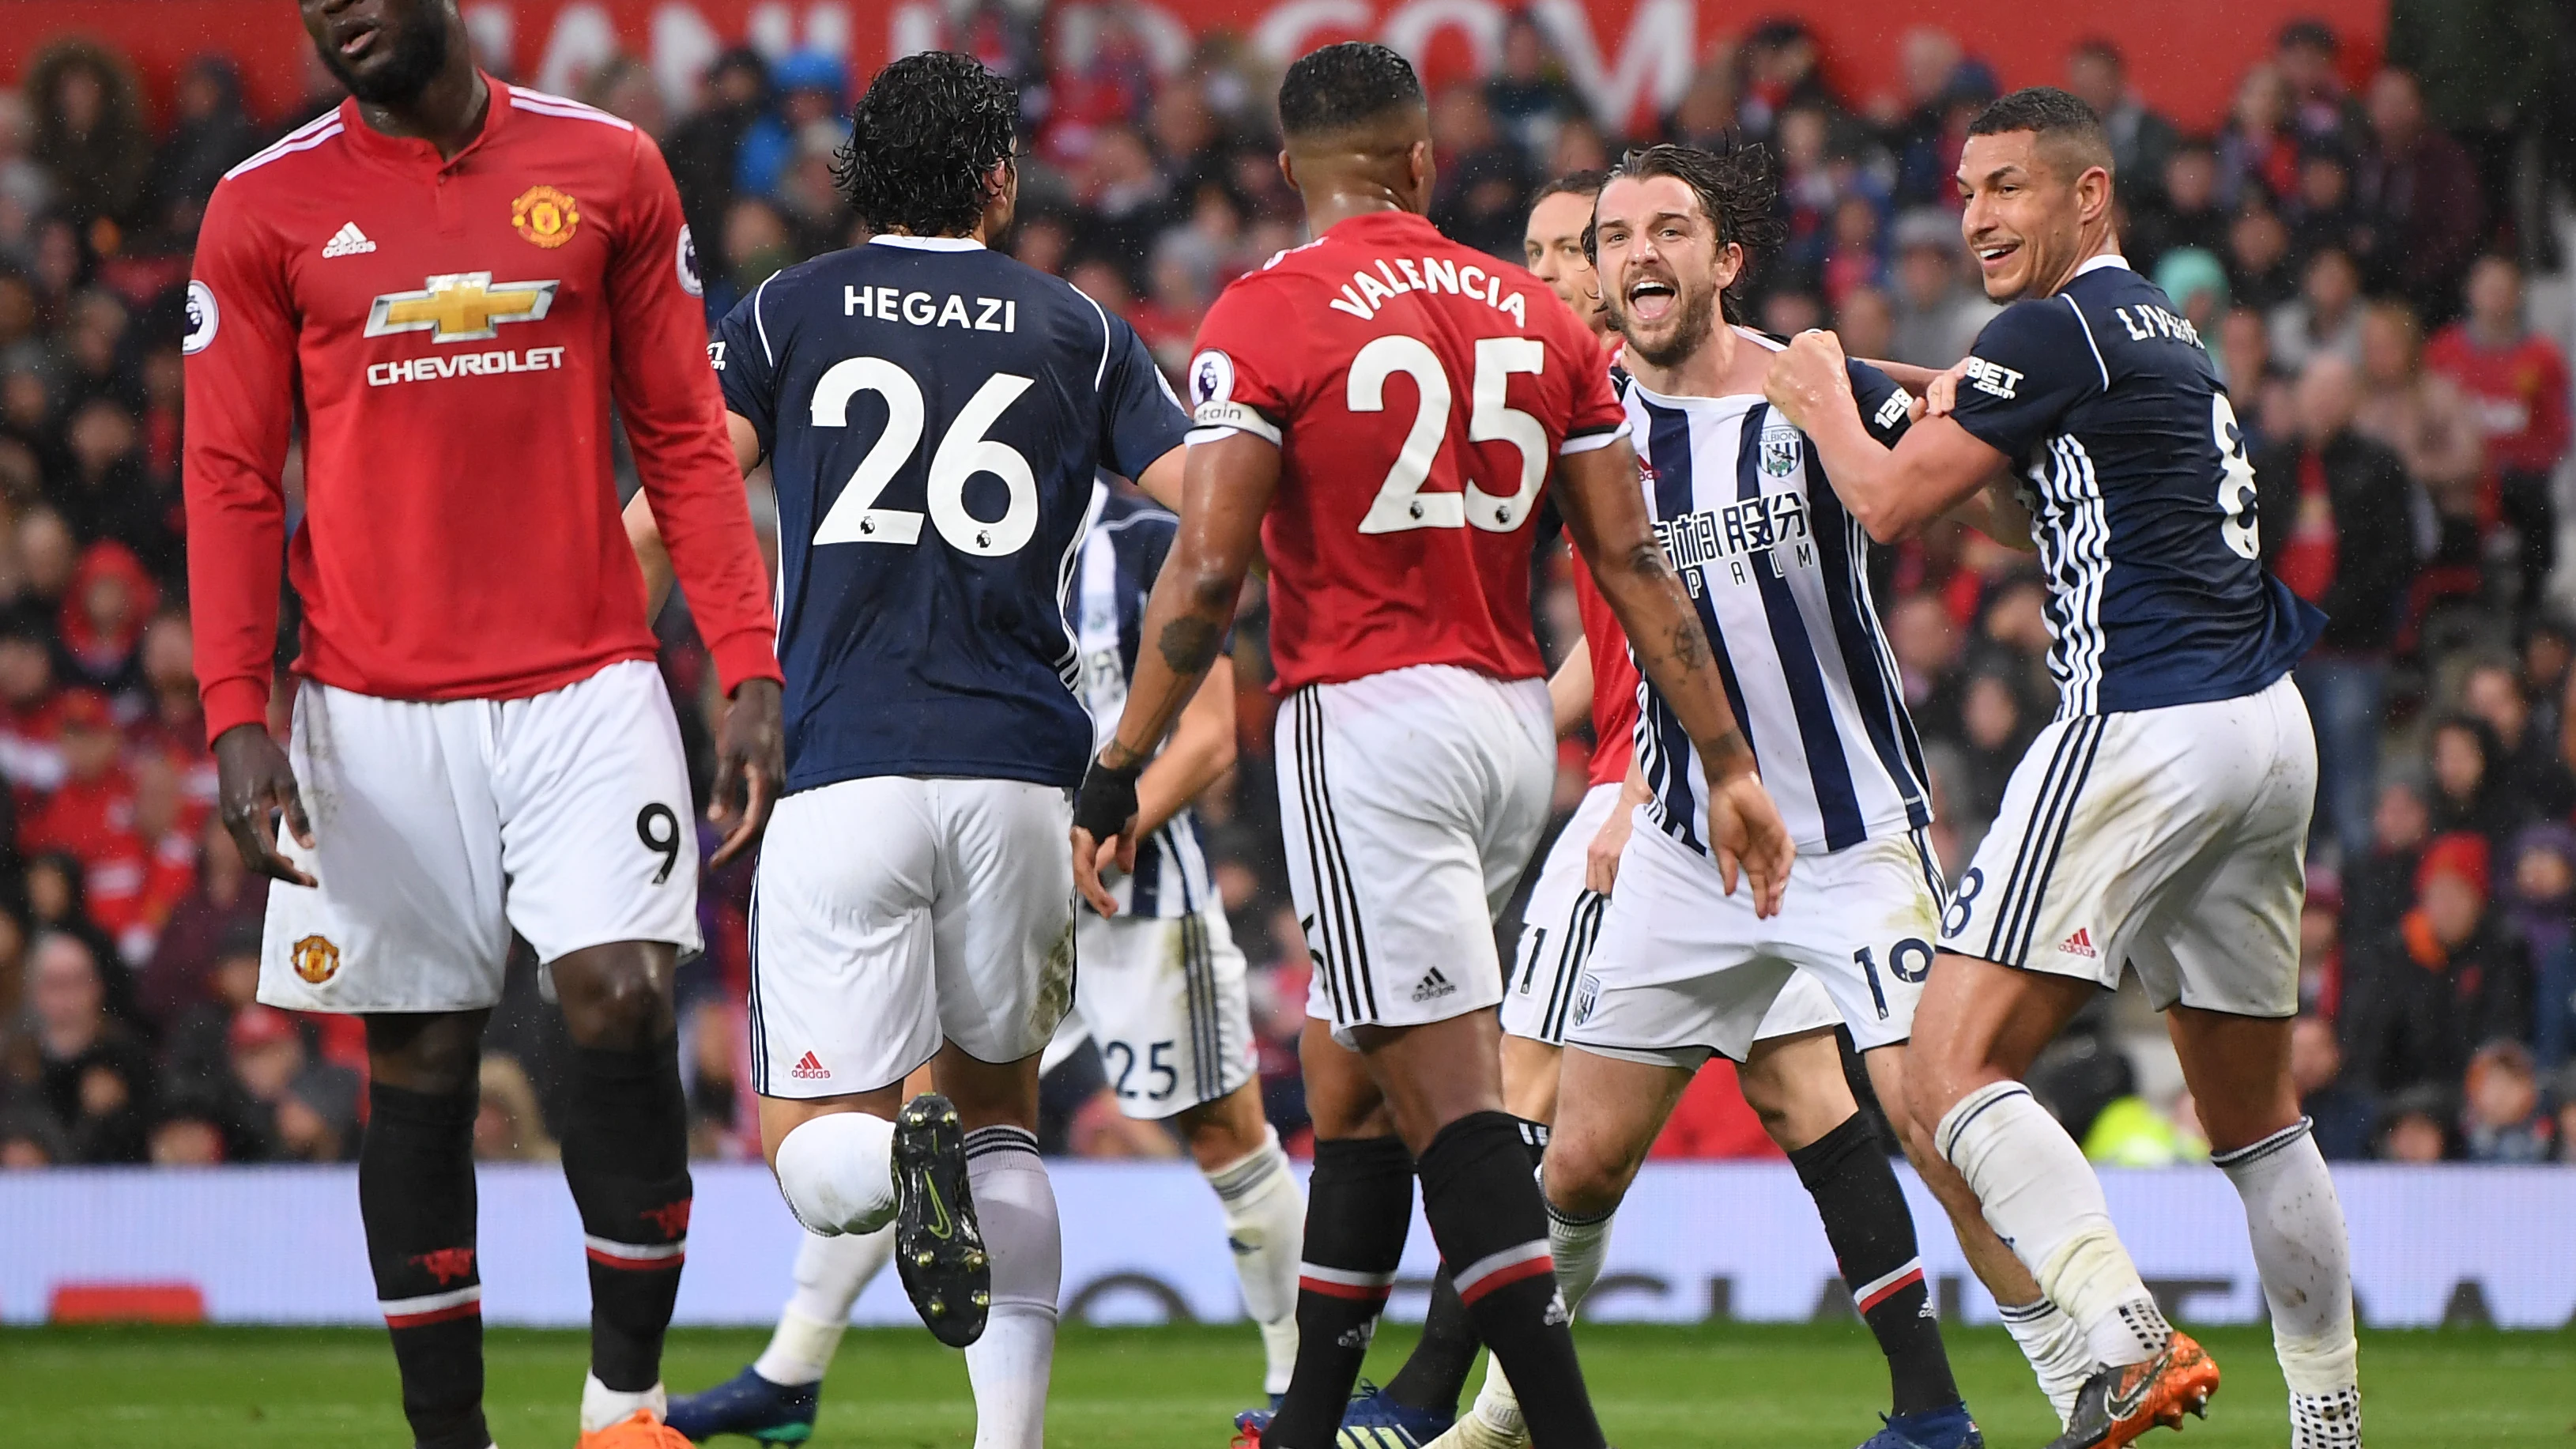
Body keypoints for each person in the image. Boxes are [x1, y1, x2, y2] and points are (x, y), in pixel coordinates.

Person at [1070, 43, 1793, 1449]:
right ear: (1418, 162)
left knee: (1448, 1105)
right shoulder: (1538, 314)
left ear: (1289, 172)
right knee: (1351, 1073)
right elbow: (1633, 562)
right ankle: (1310, 1421)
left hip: (1367, 718)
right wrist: (1723, 757)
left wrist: (1117, 764)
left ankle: (1557, 1434)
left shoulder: (1265, 312)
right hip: (1511, 722)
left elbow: (1206, 573)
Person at [182, 2, 786, 1445]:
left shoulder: (608, 166)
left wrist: (745, 653)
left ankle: (623, 1407)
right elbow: (225, 470)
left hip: (586, 677)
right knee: (425, 1062)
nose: (338, 11)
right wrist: (233, 708)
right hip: (367, 702)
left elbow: (689, 432)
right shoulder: (260, 206)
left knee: (624, 1000)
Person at [1764, 87, 2359, 1449]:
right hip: (2264, 728)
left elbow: (1889, 502)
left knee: (1939, 1070)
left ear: (2085, 194)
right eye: (1965, 189)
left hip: (2144, 721)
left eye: (2006, 188)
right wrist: (1927, 399)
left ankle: (2123, 1339)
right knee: (2259, 1124)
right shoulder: (2155, 327)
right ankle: (2328, 1423)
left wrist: (1817, 397)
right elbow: (2017, 516)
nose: (1974, 213)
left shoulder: (2047, 326)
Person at [627, 51, 1194, 1448]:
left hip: (843, 757)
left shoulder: (787, 311)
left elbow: (666, 514)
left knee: (814, 1146)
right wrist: (1134, 736)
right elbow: (1204, 514)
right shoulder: (1080, 326)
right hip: (1021, 771)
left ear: (855, 182)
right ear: (999, 184)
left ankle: (894, 1158)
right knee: (1001, 1116)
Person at [1448, 140, 2041, 1449]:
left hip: (1842, 825)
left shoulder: (1799, 386)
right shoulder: (1578, 415)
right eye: (1602, 239)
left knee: (1915, 1107)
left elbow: (1966, 494)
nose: (1615, 257)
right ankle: (1495, 1411)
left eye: (1660, 229)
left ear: (1721, 258)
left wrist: (1985, 444)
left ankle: (2079, 1364)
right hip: (1675, 839)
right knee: (1587, 1148)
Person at [661, 490, 1304, 1443]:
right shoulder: (958, 523)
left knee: (1224, 1135)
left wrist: (1101, 828)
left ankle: (1298, 1389)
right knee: (928, 1127)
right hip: (997, 878)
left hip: (1136, 895)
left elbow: (1209, 736)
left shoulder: (1145, 544)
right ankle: (789, 1371)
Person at [2251, 355, 2416, 865]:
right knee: (2286, 796)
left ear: (2354, 400)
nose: (2321, 402)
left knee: (2351, 794)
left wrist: (2330, 612)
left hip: (2352, 652)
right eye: (2313, 391)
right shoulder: (2271, 464)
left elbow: (2396, 556)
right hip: (2281, 656)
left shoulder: (2380, 465)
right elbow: (2250, 551)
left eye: (2333, 391)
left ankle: (2358, 918)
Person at [2424, 256, 2572, 620]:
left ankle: (2532, 608)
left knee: (2534, 506)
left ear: (2518, 295)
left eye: (2503, 290)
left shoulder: (2543, 356)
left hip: (2520, 474)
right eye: (2488, 289)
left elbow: (2558, 427)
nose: (2495, 299)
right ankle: (2452, 606)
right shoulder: (2444, 351)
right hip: (2458, 478)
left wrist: (2518, 459)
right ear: (2471, 293)